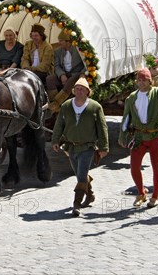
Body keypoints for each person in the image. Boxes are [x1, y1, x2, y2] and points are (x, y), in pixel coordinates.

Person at [51, 77, 109, 217]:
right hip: (71, 148)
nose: (79, 91)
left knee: (81, 176)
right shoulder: (66, 106)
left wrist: (104, 147)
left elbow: (102, 128)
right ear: (73, 91)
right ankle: (90, 195)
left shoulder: (95, 107)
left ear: (88, 92)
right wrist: (55, 140)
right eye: (77, 89)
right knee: (79, 174)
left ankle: (76, 204)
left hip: (87, 148)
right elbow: (59, 125)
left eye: (82, 89)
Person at [119, 67, 158, 208]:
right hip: (139, 136)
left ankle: (155, 195)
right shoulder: (131, 98)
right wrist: (122, 135)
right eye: (139, 80)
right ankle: (141, 193)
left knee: (157, 167)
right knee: (134, 167)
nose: (142, 83)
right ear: (136, 82)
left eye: (145, 80)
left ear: (150, 81)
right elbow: (126, 118)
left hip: (156, 135)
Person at [47, 31, 85, 113]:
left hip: (76, 74)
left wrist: (82, 74)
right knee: (50, 79)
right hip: (64, 73)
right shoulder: (58, 51)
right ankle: (54, 104)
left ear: (68, 42)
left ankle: (56, 104)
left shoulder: (78, 50)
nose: (59, 43)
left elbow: (86, 64)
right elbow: (57, 66)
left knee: (71, 81)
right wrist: (62, 75)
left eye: (61, 41)